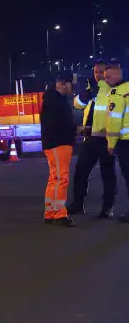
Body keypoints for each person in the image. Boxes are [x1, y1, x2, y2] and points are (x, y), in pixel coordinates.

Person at [67, 61, 116, 217]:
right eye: (96, 72)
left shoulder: (113, 90)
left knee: (107, 175)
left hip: (107, 139)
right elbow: (77, 105)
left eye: (101, 72)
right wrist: (85, 94)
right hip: (90, 138)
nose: (98, 75)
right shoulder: (91, 89)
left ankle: (107, 208)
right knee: (80, 171)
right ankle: (77, 203)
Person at [41, 74, 76, 226]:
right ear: (61, 84)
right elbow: (61, 123)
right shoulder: (57, 101)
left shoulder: (51, 99)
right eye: (70, 84)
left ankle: (50, 212)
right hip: (59, 143)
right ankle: (59, 213)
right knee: (61, 178)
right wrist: (77, 129)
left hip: (54, 143)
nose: (72, 87)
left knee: (54, 178)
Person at [102, 63, 129, 222]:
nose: (106, 80)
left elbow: (114, 122)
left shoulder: (117, 93)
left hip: (125, 142)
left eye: (108, 77)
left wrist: (110, 144)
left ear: (117, 75)